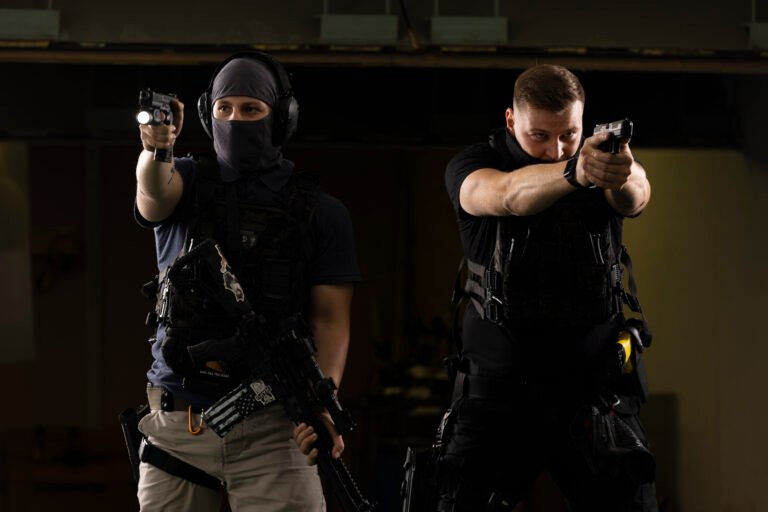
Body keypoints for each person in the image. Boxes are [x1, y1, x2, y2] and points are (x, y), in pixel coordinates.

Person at [134, 51, 360, 512]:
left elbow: (330, 320)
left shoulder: (321, 212)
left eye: (251, 109)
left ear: (281, 118)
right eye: (225, 108)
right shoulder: (185, 181)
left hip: (275, 425)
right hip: (180, 419)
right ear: (208, 114)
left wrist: (322, 403)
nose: (236, 120)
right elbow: (152, 192)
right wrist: (159, 148)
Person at [438, 64, 658, 511]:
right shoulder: (474, 164)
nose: (554, 149)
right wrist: (576, 170)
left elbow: (637, 193)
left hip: (593, 396)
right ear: (510, 121)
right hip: (497, 399)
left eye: (568, 135)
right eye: (539, 135)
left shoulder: (599, 162)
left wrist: (621, 173)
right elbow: (506, 195)